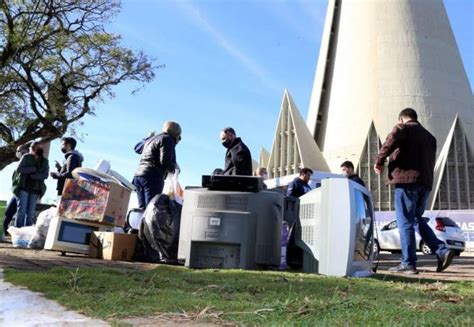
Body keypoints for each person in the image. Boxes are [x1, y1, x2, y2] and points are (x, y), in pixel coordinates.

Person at [374, 108, 454, 274]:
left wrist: (379, 161)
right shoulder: (430, 137)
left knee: (405, 222)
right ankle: (442, 250)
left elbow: (391, 140)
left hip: (406, 182)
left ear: (402, 119)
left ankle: (408, 263)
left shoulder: (403, 128)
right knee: (416, 219)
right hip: (424, 184)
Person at [132, 121, 181, 209]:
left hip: (138, 176)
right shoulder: (167, 139)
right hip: (152, 177)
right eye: (179, 137)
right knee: (151, 209)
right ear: (176, 134)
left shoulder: (151, 139)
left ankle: (137, 222)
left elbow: (137, 148)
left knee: (142, 209)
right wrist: (174, 169)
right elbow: (165, 161)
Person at [12, 141, 49, 228]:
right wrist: (32, 169)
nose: (40, 150)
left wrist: (34, 176)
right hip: (24, 187)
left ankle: (27, 232)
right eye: (38, 148)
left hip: (35, 189)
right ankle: (18, 231)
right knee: (21, 211)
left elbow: (45, 175)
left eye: (41, 148)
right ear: (33, 149)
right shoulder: (26, 157)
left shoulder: (44, 161)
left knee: (30, 213)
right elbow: (19, 169)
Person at [3, 144, 30, 235]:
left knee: (21, 212)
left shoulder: (29, 161)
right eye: (17, 151)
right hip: (16, 190)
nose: (18, 153)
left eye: (20, 151)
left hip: (24, 190)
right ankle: (3, 230)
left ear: (26, 150)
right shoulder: (20, 162)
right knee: (9, 211)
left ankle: (19, 232)